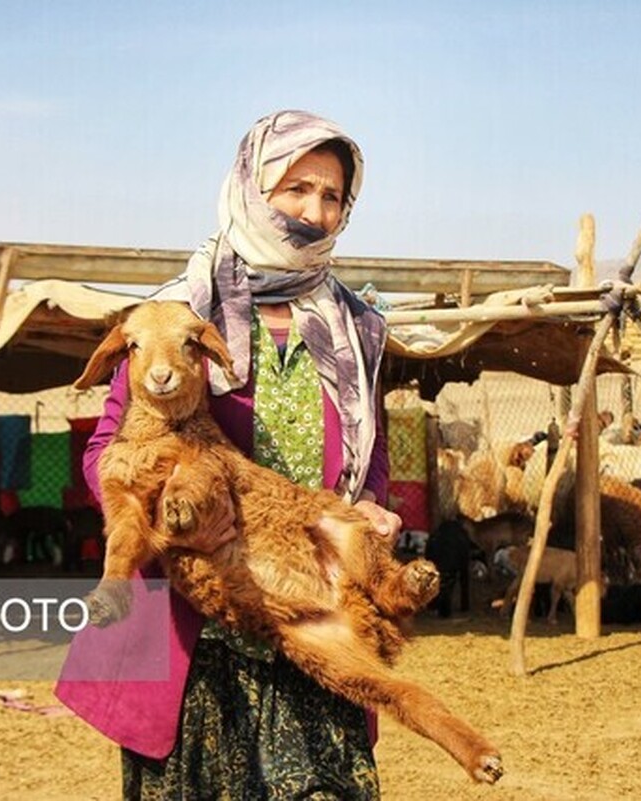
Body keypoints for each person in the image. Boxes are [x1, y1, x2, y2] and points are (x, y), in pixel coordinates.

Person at [57, 110, 401, 800]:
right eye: (296, 188)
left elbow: (371, 462)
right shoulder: (177, 316)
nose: (315, 210)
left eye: (333, 196)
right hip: (197, 637)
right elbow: (107, 449)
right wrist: (167, 514)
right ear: (253, 186)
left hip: (312, 617)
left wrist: (373, 511)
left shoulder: (357, 328)